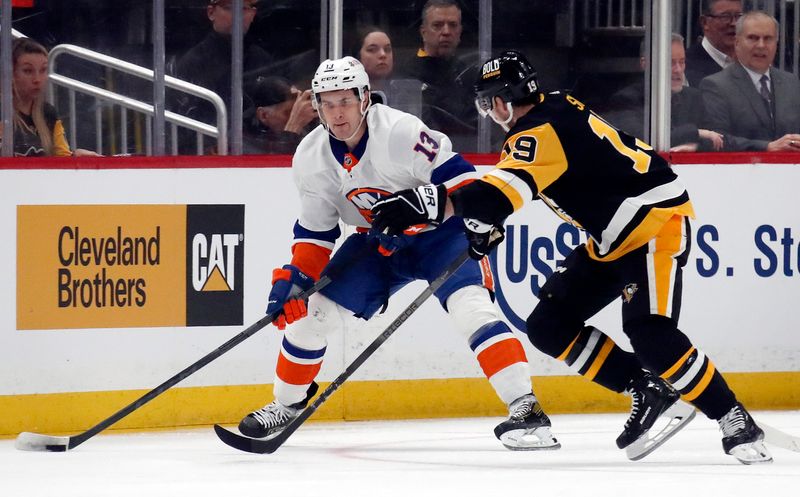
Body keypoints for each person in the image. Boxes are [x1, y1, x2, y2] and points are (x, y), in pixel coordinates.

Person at [372, 50, 773, 465]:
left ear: (503, 102)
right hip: (613, 237)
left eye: (488, 103)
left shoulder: (538, 132)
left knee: (651, 333)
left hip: (655, 225)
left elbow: (497, 193)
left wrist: (423, 202)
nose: (490, 113)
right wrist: (485, 219)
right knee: (549, 325)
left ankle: (734, 418)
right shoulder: (557, 106)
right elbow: (527, 185)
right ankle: (646, 389)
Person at [236, 56, 560, 452]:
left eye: (345, 101)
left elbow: (463, 181)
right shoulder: (310, 156)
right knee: (309, 316)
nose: (338, 113)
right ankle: (286, 405)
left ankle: (526, 409)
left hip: (442, 236)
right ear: (316, 107)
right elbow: (316, 232)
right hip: (377, 243)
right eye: (328, 103)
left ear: (364, 98)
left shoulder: (401, 132)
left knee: (471, 309)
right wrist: (297, 279)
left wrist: (434, 209)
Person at [173, 0, 274, 149]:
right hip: (210, 153)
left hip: (258, 149)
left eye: (244, 9)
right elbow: (185, 125)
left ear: (253, 14)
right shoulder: (193, 62)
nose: (238, 15)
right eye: (230, 8)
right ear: (211, 13)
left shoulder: (262, 59)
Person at [700, 11, 800, 151]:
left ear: (776, 44)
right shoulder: (716, 85)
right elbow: (717, 139)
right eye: (753, 38)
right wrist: (767, 147)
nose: (761, 45)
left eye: (768, 38)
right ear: (737, 42)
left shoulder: (792, 83)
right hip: (740, 170)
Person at [605, 34, 724, 152]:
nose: (678, 70)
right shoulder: (626, 99)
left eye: (682, 62)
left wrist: (696, 147)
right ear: (645, 64)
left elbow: (719, 138)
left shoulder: (694, 97)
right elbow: (644, 139)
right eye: (670, 63)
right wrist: (697, 132)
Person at [0, 38, 99, 157]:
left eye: (43, 70)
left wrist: (75, 157)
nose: (37, 79)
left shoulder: (48, 113)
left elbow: (62, 158)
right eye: (28, 71)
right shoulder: (3, 113)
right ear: (10, 74)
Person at [405, 0, 478, 145]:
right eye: (437, 25)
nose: (446, 32)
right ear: (423, 32)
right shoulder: (407, 74)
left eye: (453, 25)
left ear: (460, 31)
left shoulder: (468, 73)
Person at [242, 76, 317, 154]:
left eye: (299, 110)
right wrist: (293, 130)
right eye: (290, 112)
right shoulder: (242, 141)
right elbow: (279, 162)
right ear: (263, 115)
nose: (299, 117)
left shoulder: (308, 128)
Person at [685, 0, 743, 87]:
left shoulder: (751, 62)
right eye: (725, 17)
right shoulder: (685, 67)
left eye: (738, 16)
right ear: (704, 22)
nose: (734, 23)